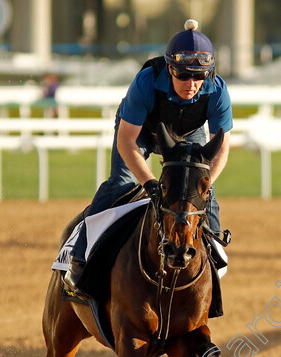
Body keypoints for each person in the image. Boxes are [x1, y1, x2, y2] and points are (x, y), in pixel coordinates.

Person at [64, 19, 232, 292]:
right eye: (184, 75)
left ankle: (212, 265)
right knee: (121, 185)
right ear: (169, 68)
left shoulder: (218, 90)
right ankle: (79, 257)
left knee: (203, 197)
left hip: (188, 132)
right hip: (141, 130)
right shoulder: (146, 82)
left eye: (199, 76)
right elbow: (127, 140)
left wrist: (206, 183)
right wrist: (150, 183)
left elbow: (221, 147)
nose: (192, 83)